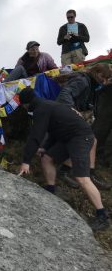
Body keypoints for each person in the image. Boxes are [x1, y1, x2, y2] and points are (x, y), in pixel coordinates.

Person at [18, 87, 109, 231]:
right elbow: (55, 131)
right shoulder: (47, 105)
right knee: (47, 158)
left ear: (26, 104)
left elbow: (36, 136)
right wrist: (45, 148)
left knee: (82, 178)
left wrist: (26, 161)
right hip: (69, 137)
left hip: (81, 137)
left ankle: (102, 215)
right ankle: (51, 189)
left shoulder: (41, 110)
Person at [55, 63, 112, 188]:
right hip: (63, 114)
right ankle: (66, 171)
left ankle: (85, 173)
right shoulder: (83, 81)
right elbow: (66, 93)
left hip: (69, 115)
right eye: (104, 77)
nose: (105, 80)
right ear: (96, 72)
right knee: (88, 139)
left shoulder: (94, 85)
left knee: (91, 140)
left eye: (107, 79)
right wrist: (71, 108)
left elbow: (87, 102)